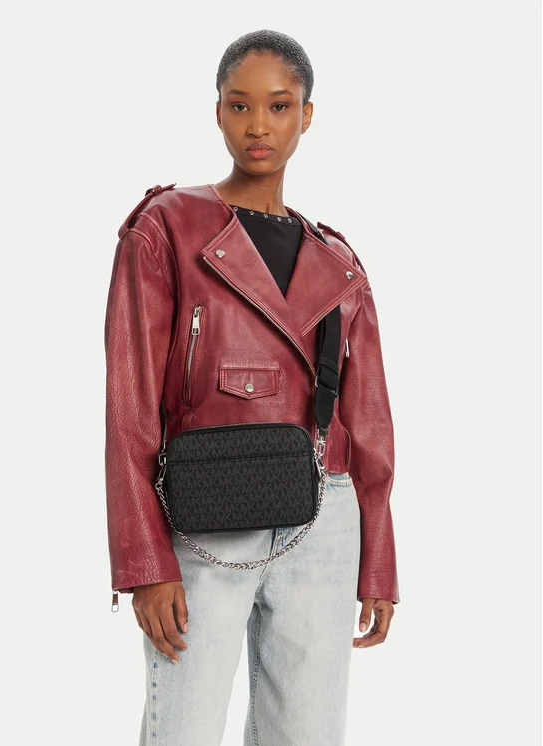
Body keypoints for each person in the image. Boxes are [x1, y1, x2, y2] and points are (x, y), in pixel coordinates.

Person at [104, 28, 400, 746]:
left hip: (324, 514)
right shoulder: (165, 228)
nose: (258, 125)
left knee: (309, 734)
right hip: (206, 508)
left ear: (307, 114)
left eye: (278, 105)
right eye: (240, 105)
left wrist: (378, 560)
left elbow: (369, 423)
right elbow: (129, 408)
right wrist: (144, 561)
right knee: (182, 730)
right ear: (217, 112)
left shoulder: (338, 260)